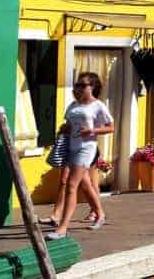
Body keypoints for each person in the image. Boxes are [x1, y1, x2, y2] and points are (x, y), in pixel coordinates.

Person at [46, 72, 113, 239]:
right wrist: (64, 129)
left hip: (86, 148)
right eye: (78, 84)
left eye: (84, 85)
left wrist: (92, 130)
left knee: (71, 185)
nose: (79, 88)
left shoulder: (98, 106)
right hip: (70, 147)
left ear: (93, 87)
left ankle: (62, 227)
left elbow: (111, 127)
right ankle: (100, 214)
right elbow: (69, 124)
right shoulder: (73, 105)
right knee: (85, 185)